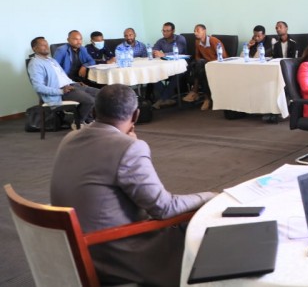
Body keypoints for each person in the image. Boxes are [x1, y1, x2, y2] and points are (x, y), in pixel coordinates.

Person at [50, 84, 216, 286]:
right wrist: (211, 196)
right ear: (136, 116)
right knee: (199, 226)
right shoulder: (129, 148)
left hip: (74, 249)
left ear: (94, 111)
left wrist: (125, 142)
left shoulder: (70, 138)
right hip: (114, 253)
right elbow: (164, 208)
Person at [28, 36, 99, 124]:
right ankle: (78, 123)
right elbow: (38, 87)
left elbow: (62, 77)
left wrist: (75, 83)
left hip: (71, 86)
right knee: (89, 100)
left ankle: (88, 120)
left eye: (46, 44)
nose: (46, 47)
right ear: (34, 48)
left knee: (100, 94)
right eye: (42, 45)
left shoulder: (51, 60)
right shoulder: (35, 64)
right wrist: (61, 91)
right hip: (61, 91)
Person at [183, 24, 227, 111]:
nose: (195, 33)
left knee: (201, 66)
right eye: (194, 31)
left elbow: (224, 57)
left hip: (217, 65)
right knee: (200, 68)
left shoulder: (213, 41)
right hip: (205, 65)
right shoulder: (197, 42)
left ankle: (195, 92)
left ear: (204, 31)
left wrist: (208, 64)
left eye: (197, 31)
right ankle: (207, 98)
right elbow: (197, 56)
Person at [151, 22, 187, 109]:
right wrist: (153, 52)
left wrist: (164, 54)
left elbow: (179, 51)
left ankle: (162, 99)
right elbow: (154, 50)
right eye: (163, 31)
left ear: (173, 31)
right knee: (152, 74)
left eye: (167, 31)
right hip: (167, 66)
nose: (165, 33)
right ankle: (166, 98)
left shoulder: (180, 38)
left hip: (182, 65)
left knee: (178, 74)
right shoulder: (161, 41)